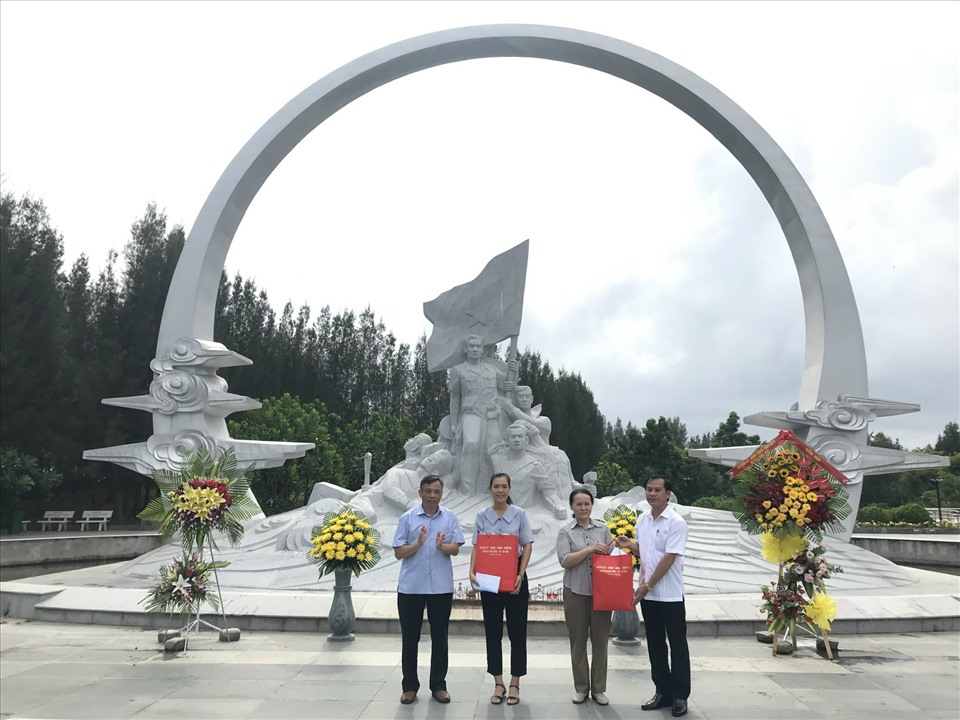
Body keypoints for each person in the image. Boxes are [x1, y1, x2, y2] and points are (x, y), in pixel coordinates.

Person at [616, 476, 690, 718]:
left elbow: (669, 558)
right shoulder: (643, 520)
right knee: (655, 644)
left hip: (669, 594)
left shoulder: (676, 522)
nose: (652, 494)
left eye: (657, 490)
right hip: (649, 595)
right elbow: (646, 552)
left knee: (677, 645)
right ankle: (662, 691)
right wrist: (630, 545)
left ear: (668, 494)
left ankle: (679, 696)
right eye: (649, 489)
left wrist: (647, 585)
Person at [392, 474, 466, 705]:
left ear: (441, 494)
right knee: (410, 638)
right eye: (428, 491)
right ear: (420, 493)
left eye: (436, 492)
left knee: (440, 638)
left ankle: (439, 686)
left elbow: (456, 549)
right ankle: (409, 687)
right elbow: (398, 552)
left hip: (441, 587)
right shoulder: (408, 518)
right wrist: (417, 544)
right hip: (411, 587)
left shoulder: (450, 517)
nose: (432, 496)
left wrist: (443, 547)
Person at [469, 472, 534, 706]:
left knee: (518, 632)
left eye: (504, 486)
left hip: (514, 575)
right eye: (496, 486)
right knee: (493, 631)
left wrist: (520, 574)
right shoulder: (482, 515)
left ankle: (515, 682)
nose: (500, 490)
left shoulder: (519, 514)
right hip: (489, 577)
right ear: (490, 489)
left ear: (509, 489)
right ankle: (498, 681)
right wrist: (472, 572)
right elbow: (477, 546)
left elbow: (527, 545)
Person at [556, 488, 614, 706]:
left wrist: (614, 547)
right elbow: (565, 560)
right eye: (578, 504)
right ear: (572, 506)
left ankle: (599, 689)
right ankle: (581, 688)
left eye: (587, 504)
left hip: (602, 592)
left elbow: (610, 557)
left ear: (592, 505)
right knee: (578, 641)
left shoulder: (603, 529)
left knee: (601, 641)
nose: (583, 508)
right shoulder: (565, 532)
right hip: (575, 591)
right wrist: (590, 550)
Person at [448, 334, 516, 495]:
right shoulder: (458, 370)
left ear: (482, 350)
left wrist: (514, 370)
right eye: (471, 346)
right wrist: (454, 422)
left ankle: (498, 490)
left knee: (495, 450)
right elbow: (455, 397)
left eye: (478, 346)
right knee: (471, 444)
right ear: (465, 349)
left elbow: (508, 386)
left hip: (492, 414)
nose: (475, 349)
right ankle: (468, 490)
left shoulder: (492, 370)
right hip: (471, 413)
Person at [490, 421, 567, 518]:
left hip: (522, 514)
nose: (517, 440)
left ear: (526, 440)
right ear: (506, 440)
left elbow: (548, 494)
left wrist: (558, 507)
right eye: (513, 437)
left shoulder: (535, 466)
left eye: (520, 436)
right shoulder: (496, 459)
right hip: (498, 512)